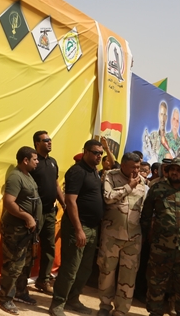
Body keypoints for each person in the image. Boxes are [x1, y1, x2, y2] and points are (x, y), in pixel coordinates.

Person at [141, 158, 180, 316]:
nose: (174, 172)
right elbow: (146, 216)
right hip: (161, 247)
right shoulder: (157, 189)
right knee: (156, 283)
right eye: (172, 169)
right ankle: (155, 312)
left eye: (179, 170)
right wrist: (145, 237)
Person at [49, 140, 105, 316]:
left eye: (101, 153)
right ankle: (57, 304)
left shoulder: (94, 171)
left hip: (92, 227)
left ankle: (73, 299)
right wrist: (79, 229)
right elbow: (71, 201)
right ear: (86, 152)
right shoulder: (77, 171)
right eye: (95, 153)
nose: (99, 156)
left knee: (85, 269)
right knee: (70, 268)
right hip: (78, 227)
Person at [96, 152, 146, 316]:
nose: (136, 170)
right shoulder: (111, 176)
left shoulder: (143, 182)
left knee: (129, 275)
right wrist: (128, 187)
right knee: (107, 272)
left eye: (138, 167)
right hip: (111, 235)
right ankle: (105, 306)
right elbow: (108, 197)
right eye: (133, 167)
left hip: (133, 238)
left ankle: (121, 310)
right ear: (123, 165)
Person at [0, 147, 43, 315]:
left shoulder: (28, 176)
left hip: (27, 232)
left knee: (26, 263)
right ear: (25, 160)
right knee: (13, 265)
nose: (37, 162)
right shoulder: (16, 177)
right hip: (16, 230)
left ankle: (20, 292)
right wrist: (27, 217)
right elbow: (9, 202)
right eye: (34, 159)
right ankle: (5, 299)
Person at [29, 131, 65, 295]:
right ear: (37, 143)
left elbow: (56, 184)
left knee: (49, 247)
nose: (50, 142)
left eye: (50, 140)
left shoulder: (52, 162)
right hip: (35, 213)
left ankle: (43, 280)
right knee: (30, 247)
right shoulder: (33, 162)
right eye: (46, 140)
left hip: (50, 211)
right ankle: (20, 284)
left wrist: (64, 203)